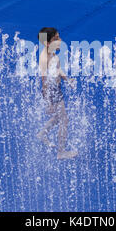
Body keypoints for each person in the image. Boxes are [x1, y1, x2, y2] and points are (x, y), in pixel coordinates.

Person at [36, 27, 78, 160]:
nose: (60, 40)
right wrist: (48, 101)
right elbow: (44, 82)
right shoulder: (44, 58)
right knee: (64, 119)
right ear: (48, 43)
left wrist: (67, 80)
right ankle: (61, 152)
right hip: (52, 91)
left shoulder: (52, 53)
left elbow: (58, 69)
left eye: (59, 37)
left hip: (56, 89)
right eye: (56, 39)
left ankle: (42, 133)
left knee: (59, 117)